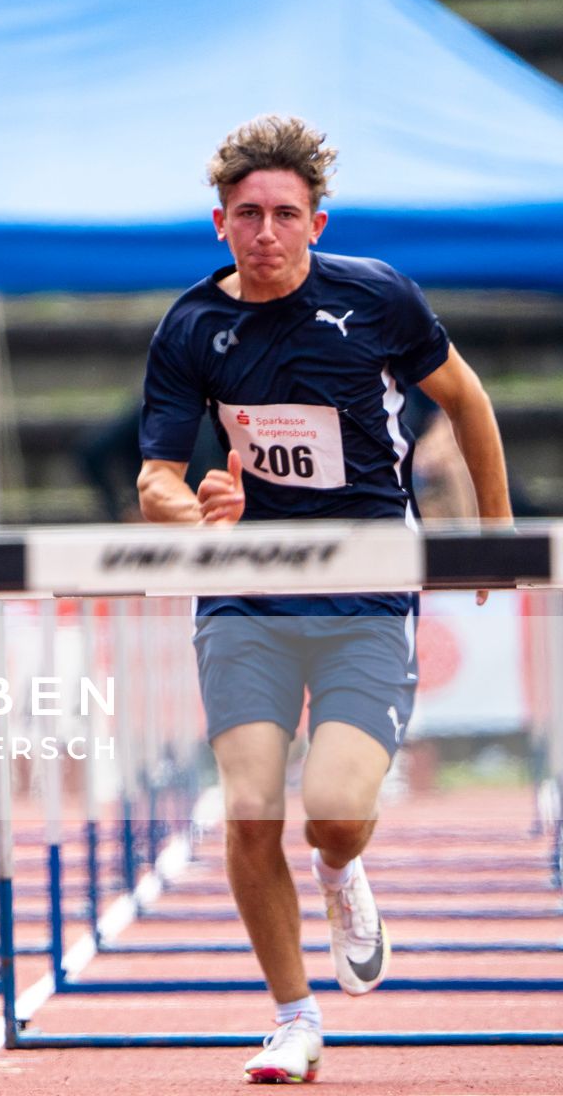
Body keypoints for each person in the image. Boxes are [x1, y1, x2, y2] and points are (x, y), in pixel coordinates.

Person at [136, 115, 510, 1084]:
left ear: (316, 221)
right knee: (250, 808)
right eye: (248, 214)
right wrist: (200, 519)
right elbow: (156, 483)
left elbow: (466, 400)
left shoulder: (377, 296)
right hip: (248, 596)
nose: (266, 232)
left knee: (333, 813)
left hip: (367, 589)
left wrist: (494, 534)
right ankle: (294, 1017)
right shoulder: (190, 327)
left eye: (285, 215)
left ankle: (342, 871)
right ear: (219, 222)